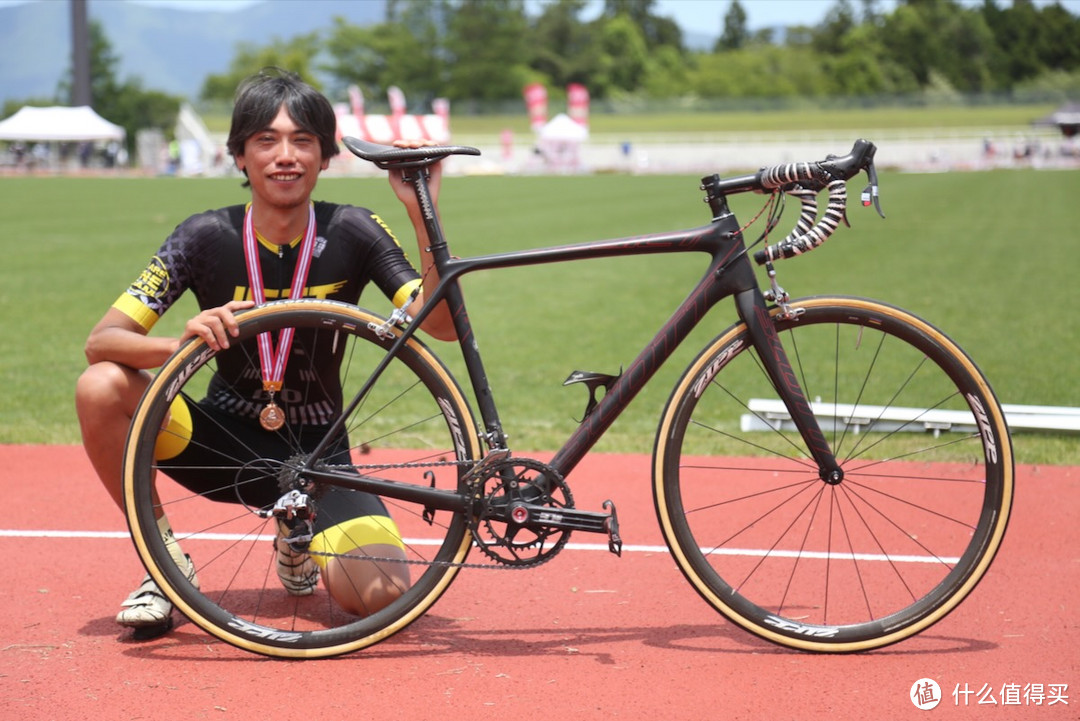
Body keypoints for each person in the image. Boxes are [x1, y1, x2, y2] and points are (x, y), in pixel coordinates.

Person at [75, 68, 455, 638]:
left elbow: (445, 325)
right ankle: (166, 563)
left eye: (303, 140)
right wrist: (180, 342)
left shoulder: (353, 228)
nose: (286, 156)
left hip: (319, 453)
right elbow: (101, 343)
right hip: (222, 444)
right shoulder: (204, 236)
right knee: (101, 386)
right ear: (239, 156)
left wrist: (419, 204)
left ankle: (296, 531)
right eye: (266, 140)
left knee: (379, 596)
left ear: (326, 156)